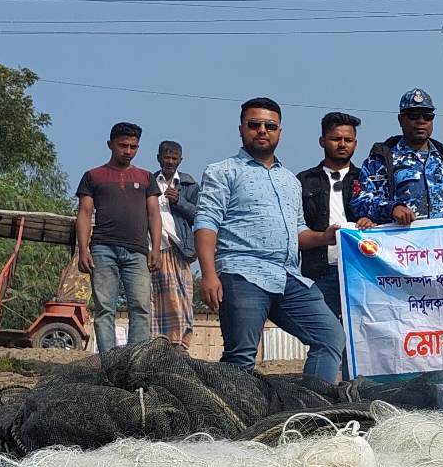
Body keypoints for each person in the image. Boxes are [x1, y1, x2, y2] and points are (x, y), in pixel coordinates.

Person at [194, 98, 343, 384]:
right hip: (242, 273)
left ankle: (312, 412)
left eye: (270, 126)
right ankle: (233, 423)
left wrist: (324, 237)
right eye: (254, 124)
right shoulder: (223, 171)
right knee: (241, 358)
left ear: (279, 132)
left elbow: (299, 231)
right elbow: (206, 224)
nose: (262, 130)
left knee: (331, 337)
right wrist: (209, 275)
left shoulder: (290, 180)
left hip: (288, 276)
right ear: (241, 129)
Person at [75, 122, 161, 353]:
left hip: (137, 251)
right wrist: (83, 250)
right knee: (104, 308)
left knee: (141, 307)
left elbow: (154, 214)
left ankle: (136, 361)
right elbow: (84, 213)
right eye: (123, 145)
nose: (128, 151)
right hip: (103, 249)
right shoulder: (93, 176)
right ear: (110, 145)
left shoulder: (145, 178)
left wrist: (156, 248)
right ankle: (109, 361)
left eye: (134, 146)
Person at [352, 89, 443, 227]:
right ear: (400, 119)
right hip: (399, 243)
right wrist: (392, 208)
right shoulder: (380, 160)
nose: (421, 121)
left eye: (427, 116)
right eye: (413, 116)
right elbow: (359, 201)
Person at [297, 111, 364, 317]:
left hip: (361, 271)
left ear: (355, 143)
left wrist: (370, 223)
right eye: (336, 139)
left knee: (364, 338)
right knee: (326, 338)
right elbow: (293, 230)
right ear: (322, 140)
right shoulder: (302, 181)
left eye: (348, 140)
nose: (342, 144)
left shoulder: (368, 180)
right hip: (319, 273)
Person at [151, 141, 199, 347]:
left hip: (179, 248)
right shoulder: (149, 182)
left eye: (174, 158)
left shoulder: (188, 185)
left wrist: (179, 201)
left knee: (181, 298)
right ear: (159, 158)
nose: (170, 162)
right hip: (154, 247)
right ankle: (156, 343)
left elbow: (200, 215)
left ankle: (180, 343)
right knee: (155, 298)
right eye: (166, 157)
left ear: (180, 160)